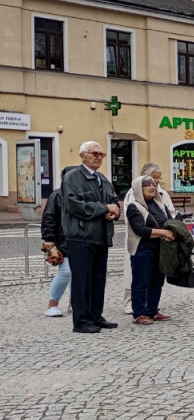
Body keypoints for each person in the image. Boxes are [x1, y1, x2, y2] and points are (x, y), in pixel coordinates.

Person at [61, 141, 121, 334]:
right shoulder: (73, 177)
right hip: (80, 235)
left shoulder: (102, 179)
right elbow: (73, 204)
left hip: (101, 235)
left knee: (98, 278)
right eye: (94, 153)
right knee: (82, 279)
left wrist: (115, 210)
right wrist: (104, 209)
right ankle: (81, 320)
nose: (98, 157)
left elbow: (112, 200)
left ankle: (95, 315)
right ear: (82, 155)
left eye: (101, 154)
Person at [123, 163, 176, 314]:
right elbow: (139, 229)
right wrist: (163, 232)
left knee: (157, 281)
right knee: (141, 281)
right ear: (140, 187)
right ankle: (139, 312)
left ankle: (152, 310)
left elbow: (170, 218)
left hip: (159, 247)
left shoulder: (159, 203)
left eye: (154, 183)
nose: (153, 186)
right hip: (142, 247)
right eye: (148, 184)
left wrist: (173, 230)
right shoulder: (135, 204)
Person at [41, 166, 76, 317]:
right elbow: (48, 217)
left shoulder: (82, 194)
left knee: (78, 273)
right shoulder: (57, 195)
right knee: (66, 271)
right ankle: (52, 304)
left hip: (79, 238)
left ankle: (74, 303)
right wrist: (48, 238)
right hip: (62, 239)